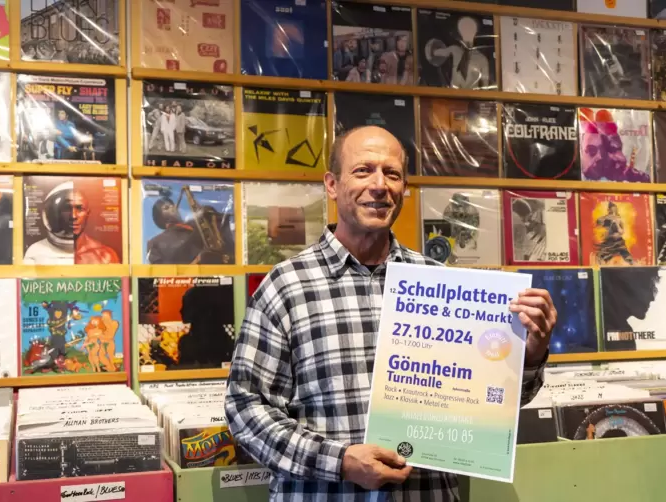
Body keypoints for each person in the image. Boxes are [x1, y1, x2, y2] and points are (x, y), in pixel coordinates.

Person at [225, 125, 557, 501]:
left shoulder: (442, 286)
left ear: (404, 189)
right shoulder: (285, 286)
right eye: (363, 170)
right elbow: (245, 407)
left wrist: (530, 353)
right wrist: (341, 461)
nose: (379, 184)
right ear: (332, 185)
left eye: (392, 173)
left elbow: (490, 404)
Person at [24, 183, 120, 265]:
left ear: (88, 213)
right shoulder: (35, 252)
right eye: (67, 208)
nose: (73, 216)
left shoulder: (105, 256)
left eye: (80, 209)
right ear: (55, 212)